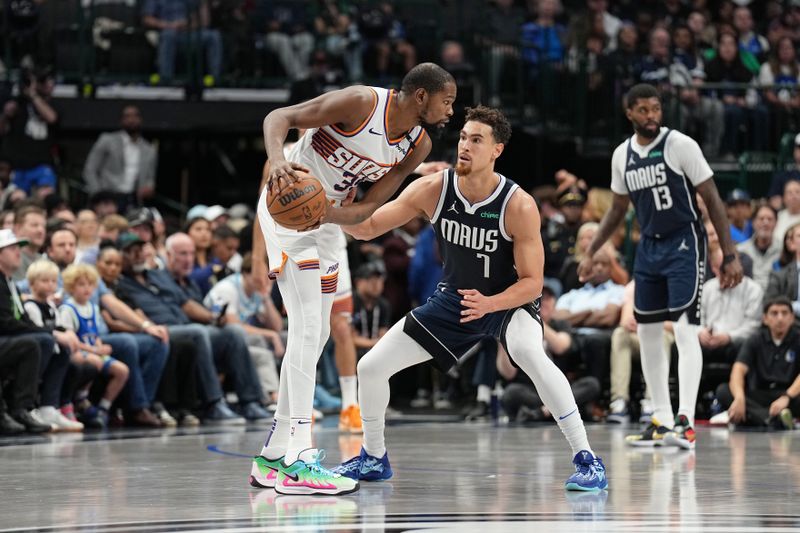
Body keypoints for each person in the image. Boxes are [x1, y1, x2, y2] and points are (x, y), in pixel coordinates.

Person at [323, 106, 606, 492]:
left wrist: (491, 304)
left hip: (508, 302)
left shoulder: (517, 204)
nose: (465, 146)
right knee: (371, 367)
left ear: (497, 151)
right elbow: (369, 228)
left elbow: (533, 284)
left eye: (477, 140)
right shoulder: (433, 189)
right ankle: (373, 457)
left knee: (530, 355)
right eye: (462, 138)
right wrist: (327, 211)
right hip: (455, 299)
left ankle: (587, 459)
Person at [249, 62, 456, 496]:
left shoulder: (418, 144)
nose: (451, 110)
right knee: (306, 331)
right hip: (287, 208)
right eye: (448, 100)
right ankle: (298, 460)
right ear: (421, 96)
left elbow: (366, 209)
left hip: (324, 223)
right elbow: (278, 118)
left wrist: (328, 214)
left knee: (318, 331)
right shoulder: (361, 102)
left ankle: (273, 454)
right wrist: (277, 165)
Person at [579, 83, 743, 450]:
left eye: (656, 109)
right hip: (649, 247)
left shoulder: (680, 144)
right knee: (648, 333)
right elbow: (619, 209)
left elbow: (712, 198)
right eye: (643, 110)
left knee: (685, 331)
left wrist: (729, 253)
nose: (652, 116)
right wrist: (592, 250)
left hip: (684, 241)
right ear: (629, 113)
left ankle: (685, 420)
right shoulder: (622, 155)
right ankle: (661, 419)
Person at [60, 264, 131, 429]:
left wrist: (101, 347)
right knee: (95, 361)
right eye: (81, 285)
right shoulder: (68, 309)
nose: (87, 289)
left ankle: (103, 408)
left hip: (94, 350)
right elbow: (73, 341)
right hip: (79, 352)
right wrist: (95, 350)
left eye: (90, 284)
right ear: (71, 287)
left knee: (122, 370)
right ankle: (81, 398)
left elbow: (95, 336)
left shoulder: (93, 308)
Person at [715, 296, 800, 429]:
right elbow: (738, 370)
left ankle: (754, 418)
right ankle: (773, 419)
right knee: (723, 391)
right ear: (765, 318)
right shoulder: (754, 340)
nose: (780, 318)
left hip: (789, 394)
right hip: (759, 393)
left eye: (784, 313)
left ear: (792, 318)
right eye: (774, 313)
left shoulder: (798, 338)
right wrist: (739, 398)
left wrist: (787, 397)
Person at [83, 106, 158, 213]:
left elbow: (150, 178)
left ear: (141, 119)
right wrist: (98, 196)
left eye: (135, 116)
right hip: (108, 195)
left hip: (133, 199)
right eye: (127, 116)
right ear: (121, 120)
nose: (131, 120)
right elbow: (90, 169)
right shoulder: (107, 140)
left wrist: (149, 187)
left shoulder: (149, 149)